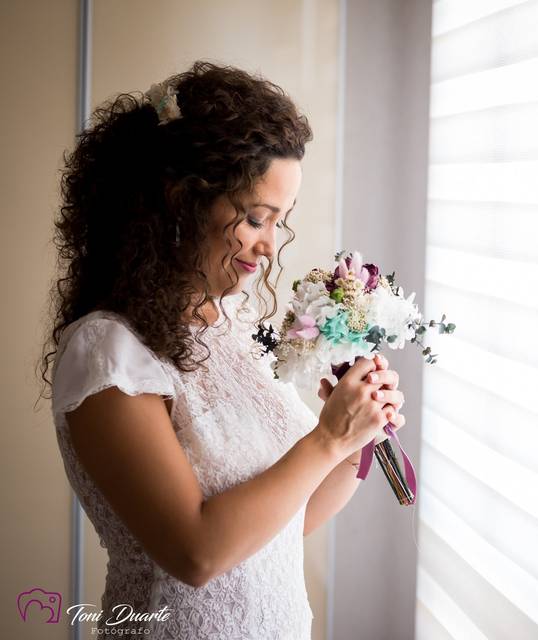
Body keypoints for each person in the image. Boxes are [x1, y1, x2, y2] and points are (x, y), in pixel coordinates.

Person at [40, 61, 405, 638]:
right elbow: (196, 553)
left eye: (278, 223)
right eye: (256, 217)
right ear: (180, 200)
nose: (267, 246)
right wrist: (326, 437)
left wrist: (356, 434)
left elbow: (287, 522)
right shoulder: (109, 351)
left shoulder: (230, 323)